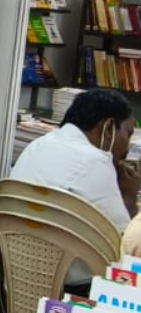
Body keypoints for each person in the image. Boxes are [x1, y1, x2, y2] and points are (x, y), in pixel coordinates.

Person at [10, 88, 134, 231]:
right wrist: (129, 195)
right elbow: (126, 239)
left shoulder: (38, 144)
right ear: (108, 128)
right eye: (128, 134)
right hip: (60, 244)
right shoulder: (97, 162)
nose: (128, 147)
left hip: (13, 242)